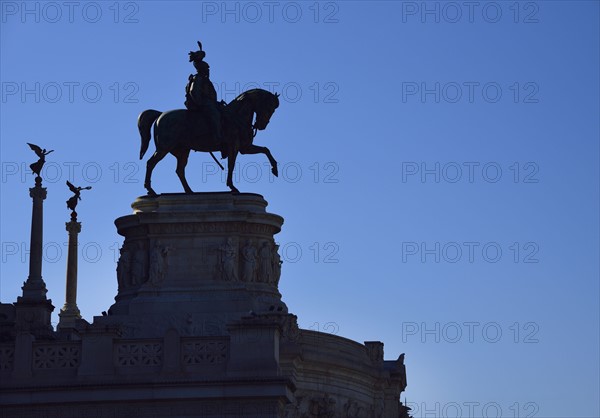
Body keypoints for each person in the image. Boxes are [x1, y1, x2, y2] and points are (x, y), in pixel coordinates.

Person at [185, 42, 223, 142]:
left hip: (209, 103)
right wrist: (201, 104)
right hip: (202, 104)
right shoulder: (198, 78)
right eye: (206, 68)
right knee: (215, 114)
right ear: (202, 68)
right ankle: (216, 136)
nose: (208, 70)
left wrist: (215, 103)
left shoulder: (205, 80)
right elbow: (194, 92)